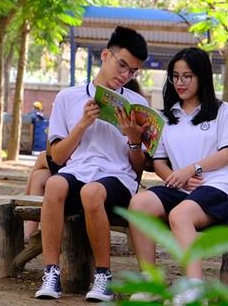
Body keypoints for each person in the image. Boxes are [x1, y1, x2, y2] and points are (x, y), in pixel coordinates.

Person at [35, 26, 151, 302]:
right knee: (54, 184)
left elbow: (137, 170)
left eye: (132, 72)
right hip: (77, 171)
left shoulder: (137, 104)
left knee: (92, 192)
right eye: (122, 65)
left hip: (118, 180)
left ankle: (103, 276)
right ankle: (51, 273)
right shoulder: (68, 97)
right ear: (105, 55)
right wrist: (83, 124)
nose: (125, 75)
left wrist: (134, 140)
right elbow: (58, 158)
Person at [128, 47, 228, 304]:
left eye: (187, 76)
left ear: (202, 76)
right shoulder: (166, 118)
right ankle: (150, 282)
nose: (180, 82)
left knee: (179, 215)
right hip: (183, 190)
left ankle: (195, 289)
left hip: (219, 187)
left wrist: (191, 169)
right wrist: (175, 177)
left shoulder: (222, 111)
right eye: (175, 76)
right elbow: (159, 162)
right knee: (138, 204)